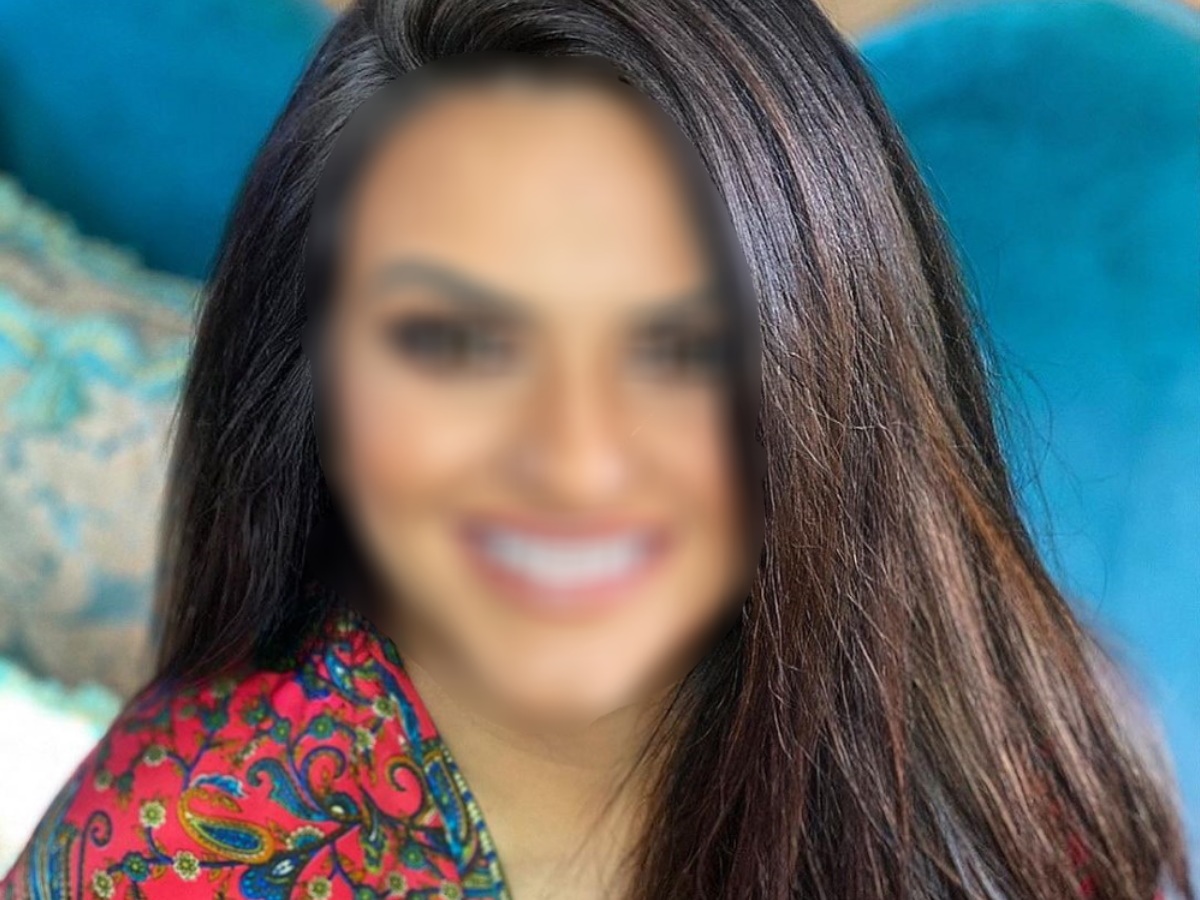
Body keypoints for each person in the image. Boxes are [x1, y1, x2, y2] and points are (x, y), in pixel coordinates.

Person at [2, 0, 1192, 898]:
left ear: (835, 372)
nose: (575, 461)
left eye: (682, 346)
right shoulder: (167, 853)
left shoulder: (1007, 769)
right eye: (457, 342)